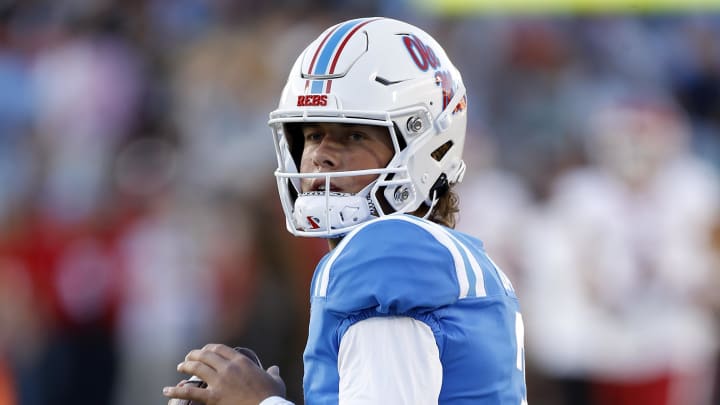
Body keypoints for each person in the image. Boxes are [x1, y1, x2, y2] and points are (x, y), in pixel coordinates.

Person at [163, 17, 527, 405]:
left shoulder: (386, 254)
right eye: (313, 135)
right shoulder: (455, 258)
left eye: (353, 135)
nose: (321, 156)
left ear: (426, 145)